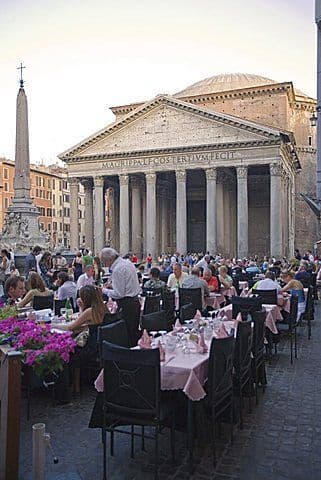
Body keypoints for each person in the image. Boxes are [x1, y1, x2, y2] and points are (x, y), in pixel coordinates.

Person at [52, 285, 107, 393]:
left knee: (68, 351)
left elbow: (70, 327)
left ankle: (73, 385)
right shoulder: (103, 307)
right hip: (99, 346)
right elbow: (87, 323)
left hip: (88, 349)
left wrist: (52, 325)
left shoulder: (90, 311)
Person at [101, 247, 141, 346]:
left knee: (127, 332)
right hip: (134, 302)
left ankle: (129, 355)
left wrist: (104, 290)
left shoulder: (117, 269)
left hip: (126, 304)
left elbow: (119, 294)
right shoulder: (127, 263)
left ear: (109, 259)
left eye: (104, 262)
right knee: (133, 331)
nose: (104, 264)